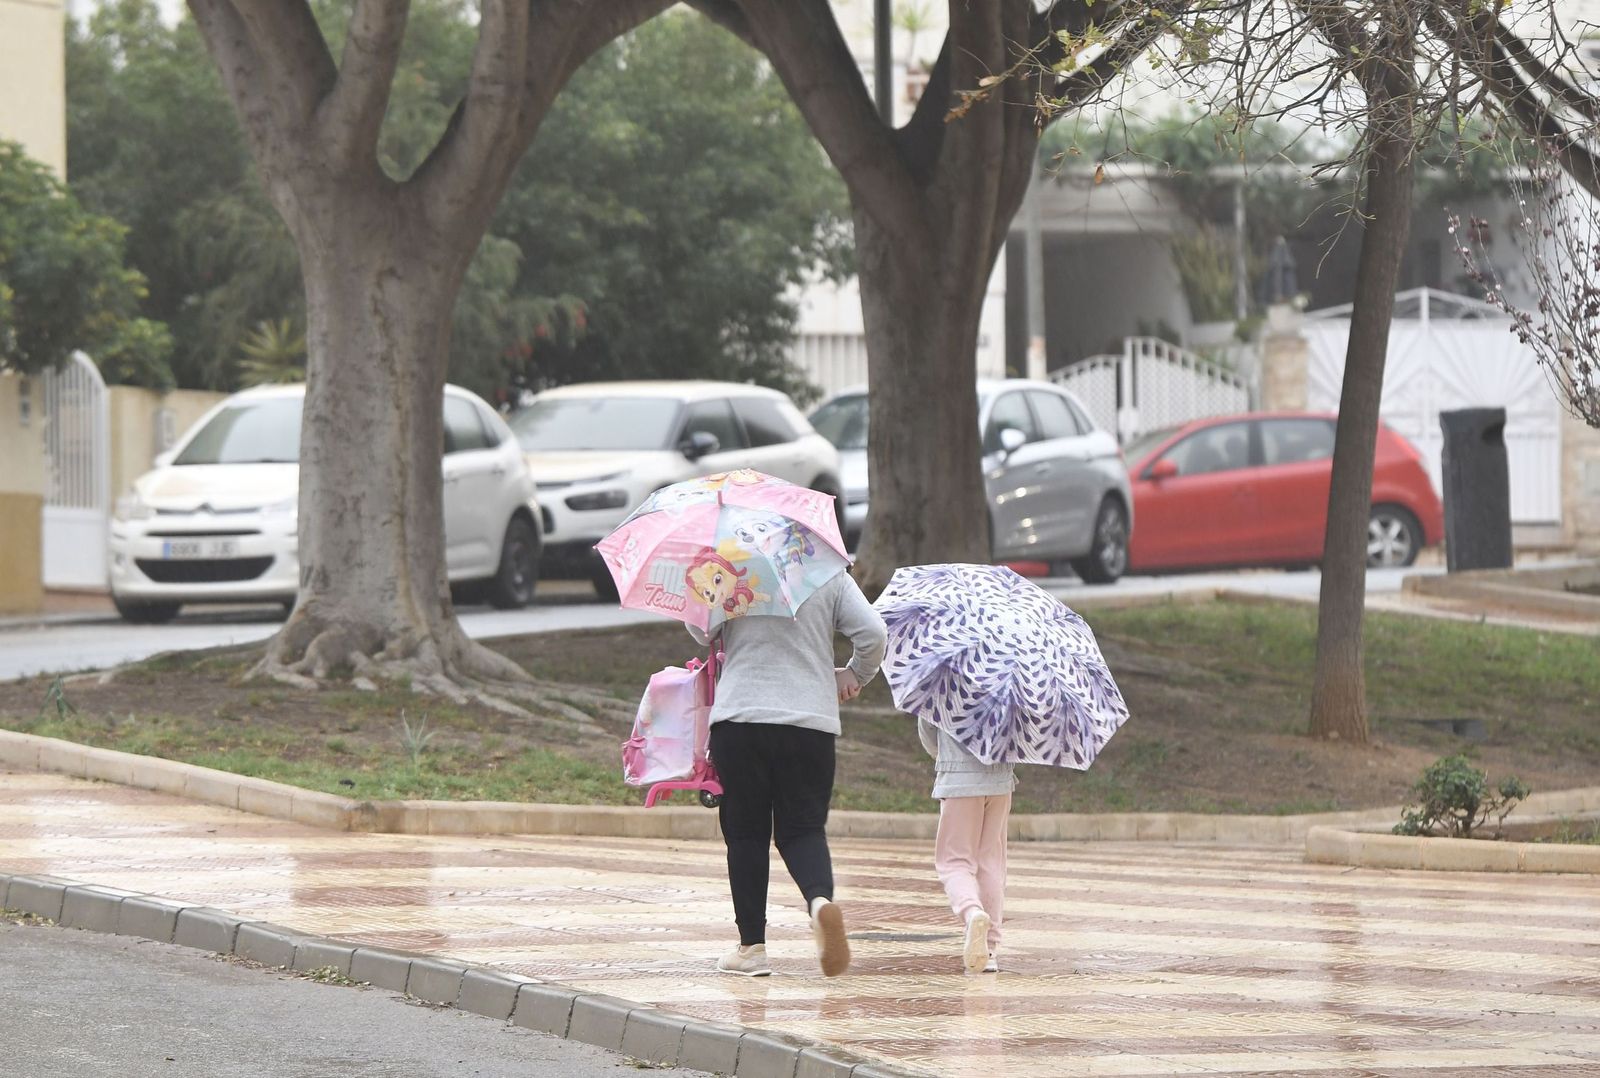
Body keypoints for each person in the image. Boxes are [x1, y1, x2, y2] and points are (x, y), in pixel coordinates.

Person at [690, 569, 886, 978]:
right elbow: (873, 633)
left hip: (742, 717)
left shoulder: (727, 566)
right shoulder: (826, 570)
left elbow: (700, 631)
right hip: (810, 723)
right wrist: (853, 675)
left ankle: (752, 949)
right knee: (803, 830)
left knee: (746, 833)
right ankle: (819, 903)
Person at [918, 718, 1016, 974]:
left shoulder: (945, 679)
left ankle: (972, 912)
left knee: (954, 862)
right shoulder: (1007, 678)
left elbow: (927, 727)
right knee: (991, 863)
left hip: (959, 779)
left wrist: (941, 757)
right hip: (1000, 781)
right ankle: (990, 948)